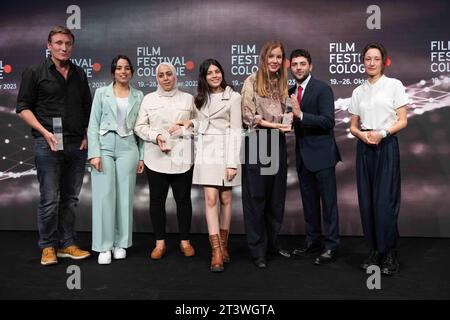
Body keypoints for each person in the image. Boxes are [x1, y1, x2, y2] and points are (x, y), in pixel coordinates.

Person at [16, 26, 91, 265]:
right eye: (58, 43)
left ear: (72, 46)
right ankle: (47, 246)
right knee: (49, 198)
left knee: (70, 199)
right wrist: (44, 132)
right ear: (49, 45)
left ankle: (67, 244)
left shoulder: (79, 74)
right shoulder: (34, 72)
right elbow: (23, 108)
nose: (63, 47)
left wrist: (87, 135)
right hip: (47, 143)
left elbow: (87, 108)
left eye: (68, 43)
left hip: (76, 145)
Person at [349, 42, 408, 276]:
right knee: (367, 202)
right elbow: (353, 126)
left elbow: (403, 120)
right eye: (367, 59)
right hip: (364, 148)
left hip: (386, 145)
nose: (371, 63)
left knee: (385, 202)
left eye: (375, 58)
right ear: (363, 62)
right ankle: (374, 250)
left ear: (384, 61)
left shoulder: (394, 85)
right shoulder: (358, 91)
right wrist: (362, 134)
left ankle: (390, 253)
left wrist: (382, 133)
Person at [134, 62, 197, 260]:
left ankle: (185, 241)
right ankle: (159, 243)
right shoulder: (148, 99)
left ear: (175, 75)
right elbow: (139, 126)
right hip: (156, 158)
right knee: (156, 201)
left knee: (184, 201)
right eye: (161, 75)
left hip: (182, 158)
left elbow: (197, 125)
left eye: (169, 74)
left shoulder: (188, 99)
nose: (166, 78)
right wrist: (156, 136)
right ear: (157, 78)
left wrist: (184, 129)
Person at [87, 55, 144, 265]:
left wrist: (142, 155)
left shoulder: (139, 95)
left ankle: (120, 244)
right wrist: (94, 153)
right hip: (104, 146)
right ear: (113, 71)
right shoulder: (101, 93)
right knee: (104, 196)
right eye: (119, 68)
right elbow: (93, 124)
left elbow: (141, 127)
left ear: (131, 72)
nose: (123, 71)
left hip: (129, 147)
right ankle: (104, 246)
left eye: (127, 68)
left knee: (125, 196)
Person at [241, 40, 292, 269]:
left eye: (279, 57)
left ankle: (272, 244)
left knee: (276, 198)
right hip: (257, 142)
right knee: (256, 198)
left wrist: (289, 119)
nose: (275, 61)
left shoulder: (282, 83)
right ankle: (257, 249)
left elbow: (287, 112)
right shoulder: (251, 81)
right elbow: (248, 118)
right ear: (263, 58)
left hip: (277, 143)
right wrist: (276, 126)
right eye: (271, 56)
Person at [187, 59, 242, 272]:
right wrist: (189, 125)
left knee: (226, 198)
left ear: (222, 73)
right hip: (206, 153)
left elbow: (236, 130)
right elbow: (199, 126)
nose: (214, 76)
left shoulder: (234, 97)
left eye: (217, 71)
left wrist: (232, 163)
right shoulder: (198, 99)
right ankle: (216, 251)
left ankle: (225, 245)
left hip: (227, 151)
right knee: (210, 199)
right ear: (204, 76)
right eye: (209, 73)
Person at [288, 49, 342, 265]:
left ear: (310, 66)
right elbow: (292, 122)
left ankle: (331, 246)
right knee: (309, 203)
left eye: (302, 64)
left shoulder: (322, 89)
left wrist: (301, 115)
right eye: (295, 64)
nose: (299, 68)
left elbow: (328, 121)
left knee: (328, 204)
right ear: (290, 67)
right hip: (302, 156)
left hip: (322, 156)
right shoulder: (291, 91)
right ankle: (313, 243)